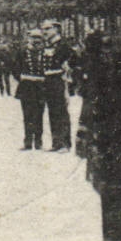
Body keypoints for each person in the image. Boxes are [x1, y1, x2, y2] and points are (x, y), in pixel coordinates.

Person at [40, 21, 73, 152]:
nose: (45, 32)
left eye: (48, 29)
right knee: (52, 111)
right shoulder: (46, 45)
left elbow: (73, 61)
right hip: (48, 81)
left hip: (59, 80)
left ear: (56, 29)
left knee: (61, 111)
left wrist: (67, 73)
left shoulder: (63, 45)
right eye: (43, 29)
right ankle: (56, 142)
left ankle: (65, 143)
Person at [16, 29, 47, 151]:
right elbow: (15, 67)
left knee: (39, 114)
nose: (36, 40)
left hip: (40, 88)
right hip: (26, 88)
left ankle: (38, 141)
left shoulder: (45, 52)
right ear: (29, 38)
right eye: (33, 37)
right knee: (27, 114)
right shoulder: (22, 52)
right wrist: (21, 77)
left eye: (38, 38)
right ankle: (28, 141)